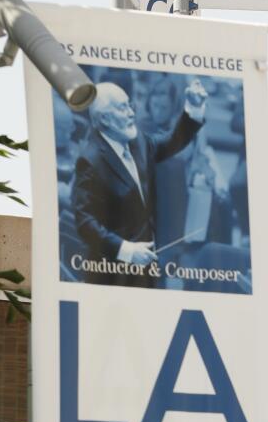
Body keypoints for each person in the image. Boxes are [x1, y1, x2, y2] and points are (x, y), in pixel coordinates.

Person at [71, 78, 209, 284]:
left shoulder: (138, 141)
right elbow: (85, 222)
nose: (132, 113)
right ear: (106, 119)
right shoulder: (90, 160)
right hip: (112, 274)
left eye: (130, 105)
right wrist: (126, 250)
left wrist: (194, 108)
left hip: (147, 267)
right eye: (123, 108)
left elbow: (172, 140)